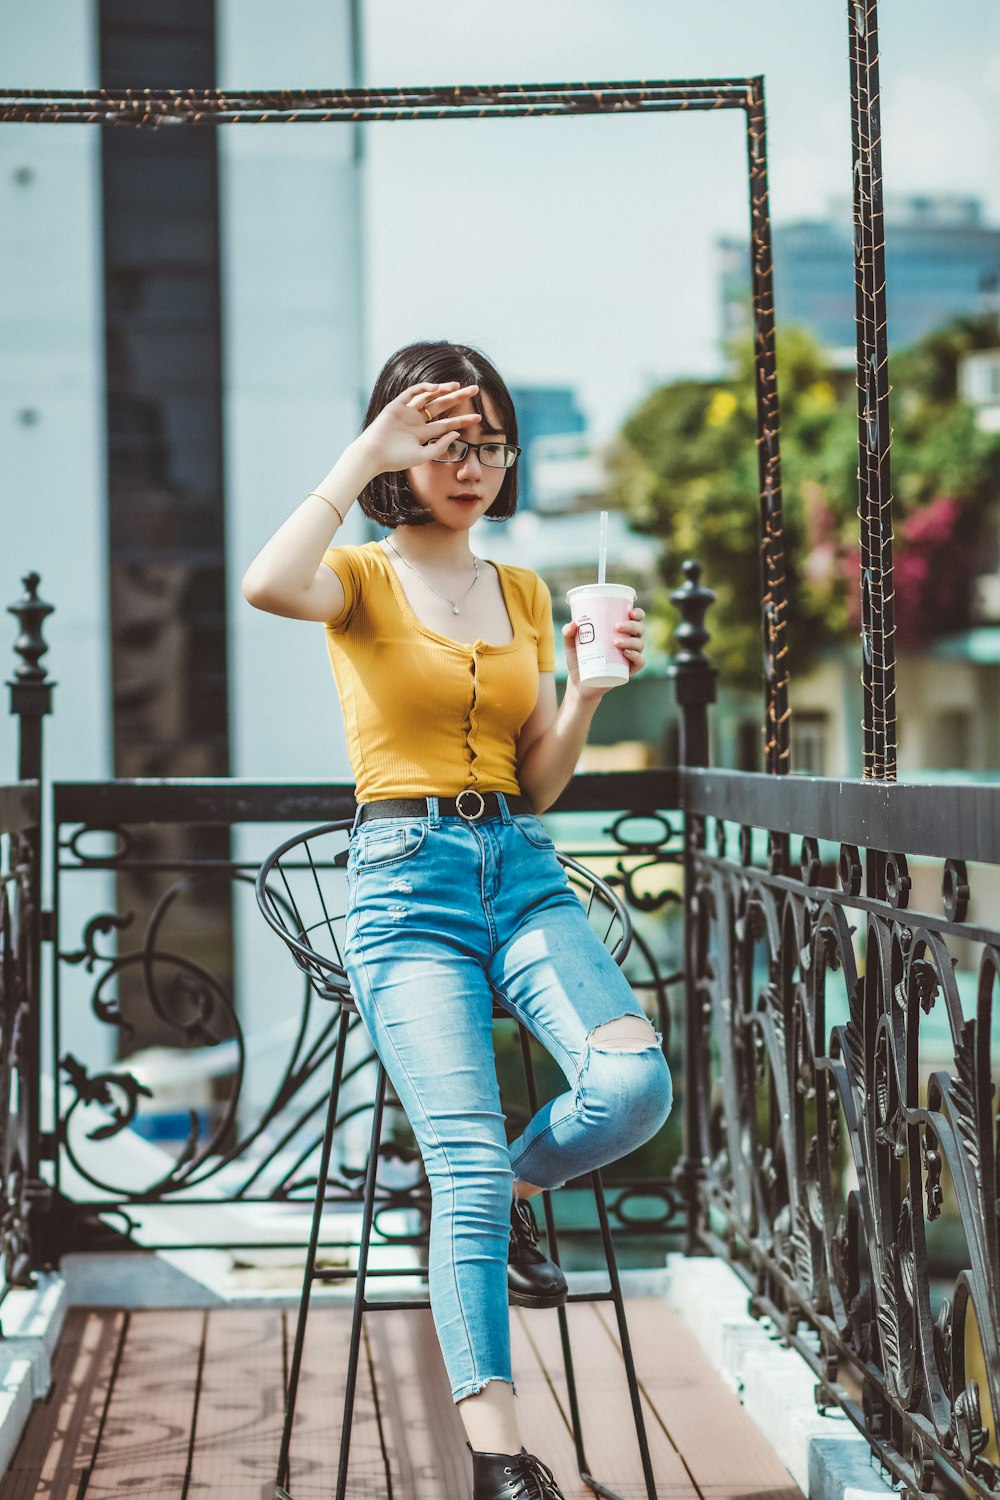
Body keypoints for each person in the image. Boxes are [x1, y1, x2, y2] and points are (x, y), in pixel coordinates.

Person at [242, 340, 673, 1500]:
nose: (469, 461)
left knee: (632, 1089)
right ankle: (502, 1462)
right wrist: (360, 454)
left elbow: (536, 785)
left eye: (485, 441)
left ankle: (510, 1192)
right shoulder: (361, 578)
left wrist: (585, 690)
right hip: (406, 883)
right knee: (463, 1171)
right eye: (442, 441)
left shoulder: (525, 590)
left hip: (519, 866)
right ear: (399, 451)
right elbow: (264, 583)